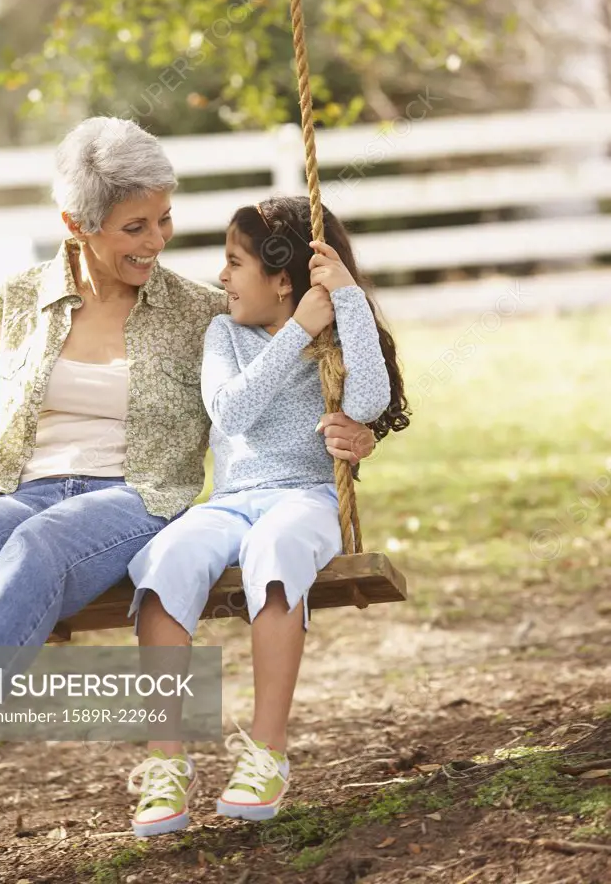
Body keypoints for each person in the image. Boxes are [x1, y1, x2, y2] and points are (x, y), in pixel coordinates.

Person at [0, 119, 376, 764]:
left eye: (162, 220)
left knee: (37, 547)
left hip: (134, 498)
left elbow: (291, 373)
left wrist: (357, 429)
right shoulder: (20, 300)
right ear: (76, 224)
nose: (157, 241)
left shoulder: (201, 313)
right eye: (134, 227)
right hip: (23, 488)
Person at [126, 195, 410, 837]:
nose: (221, 276)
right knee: (167, 558)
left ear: (283, 279)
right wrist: (296, 331)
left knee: (276, 551)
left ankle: (266, 752)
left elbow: (367, 399)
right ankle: (166, 761)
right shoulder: (223, 335)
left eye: (234, 262)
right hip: (228, 503)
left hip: (305, 498)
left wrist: (348, 305)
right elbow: (231, 412)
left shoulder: (335, 331)